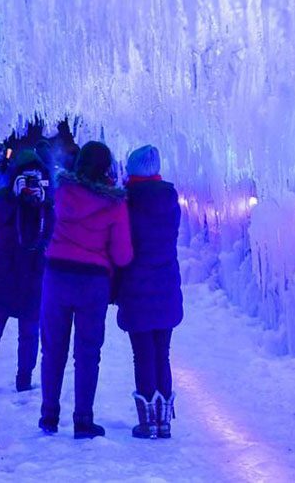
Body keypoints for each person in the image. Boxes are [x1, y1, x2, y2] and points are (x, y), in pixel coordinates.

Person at [39, 141, 133, 439]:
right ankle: (83, 419)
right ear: (106, 168)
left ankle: (48, 414)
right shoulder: (114, 204)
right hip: (92, 281)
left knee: (53, 348)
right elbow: (122, 255)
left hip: (56, 274)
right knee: (88, 351)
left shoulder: (63, 192)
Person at [0, 149, 53, 395]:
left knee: (29, 333)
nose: (31, 180)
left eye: (35, 175)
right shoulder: (2, 199)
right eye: (26, 175)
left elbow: (50, 232)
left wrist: (41, 203)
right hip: (1, 279)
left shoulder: (46, 203)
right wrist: (14, 199)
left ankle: (24, 380)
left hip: (32, 277)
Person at [114, 145, 183, 439]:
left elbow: (122, 248)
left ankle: (148, 422)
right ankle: (164, 421)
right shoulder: (171, 202)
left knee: (142, 355)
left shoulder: (127, 203)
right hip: (166, 284)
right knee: (162, 354)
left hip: (136, 286)